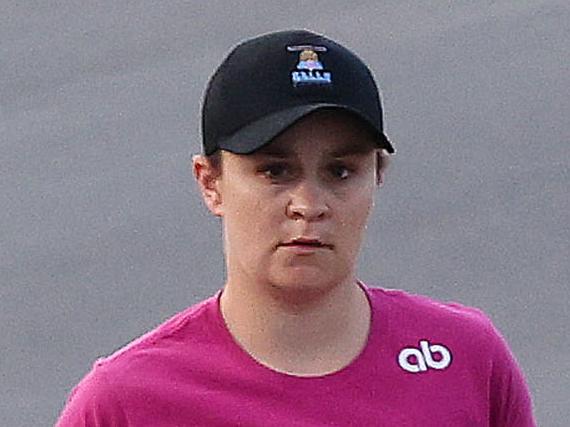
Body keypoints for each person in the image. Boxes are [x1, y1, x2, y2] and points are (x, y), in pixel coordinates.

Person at [56, 30, 536, 426]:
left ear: (378, 177)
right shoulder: (126, 403)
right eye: (275, 172)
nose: (309, 205)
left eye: (340, 172)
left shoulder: (467, 359)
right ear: (211, 183)